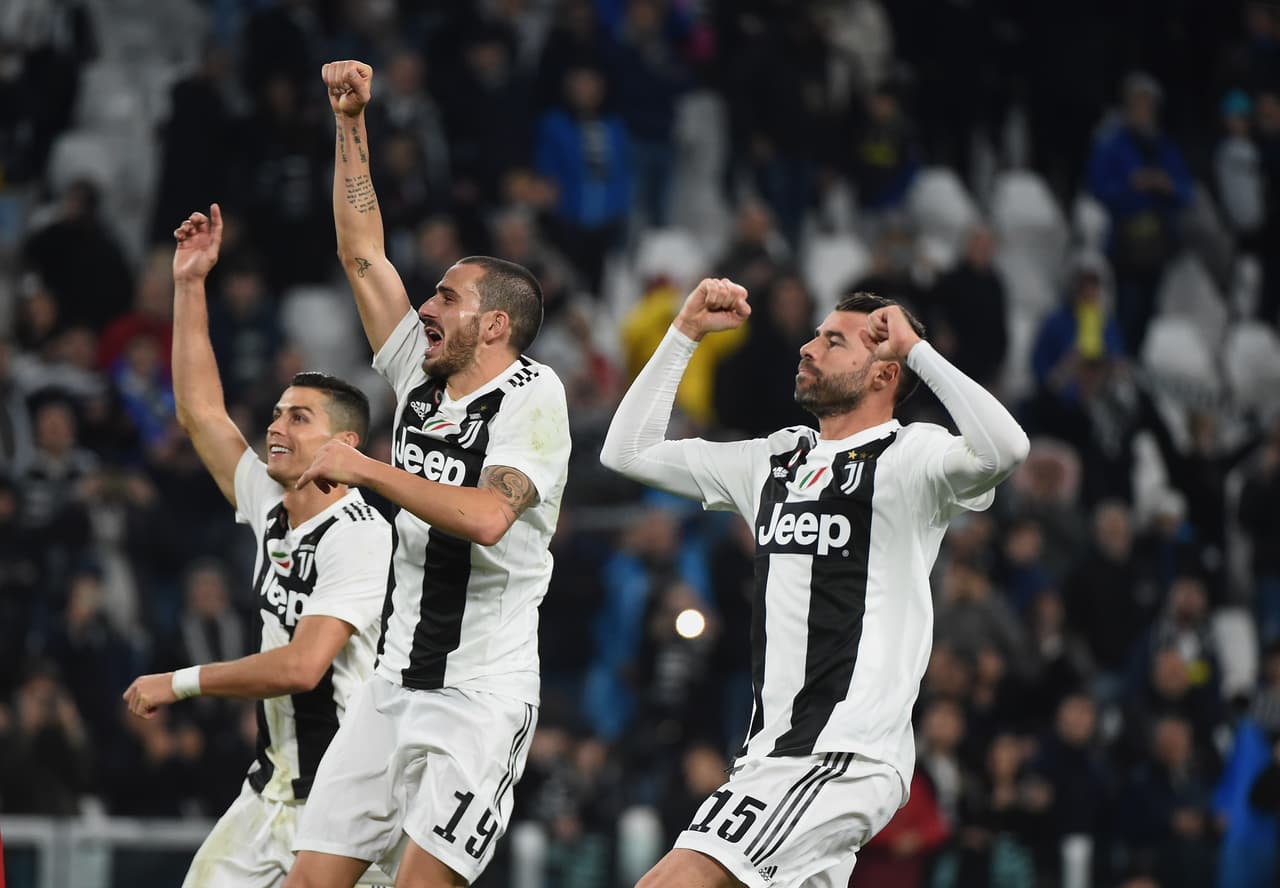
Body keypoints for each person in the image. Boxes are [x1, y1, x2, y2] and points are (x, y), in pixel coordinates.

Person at [600, 279, 1029, 886]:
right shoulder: (772, 460)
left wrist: (917, 353)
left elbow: (1007, 448)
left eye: (833, 341)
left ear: (883, 373)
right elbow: (628, 452)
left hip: (841, 753)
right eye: (815, 334)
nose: (808, 347)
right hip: (771, 754)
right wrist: (683, 335)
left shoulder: (912, 459)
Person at [281, 61, 571, 888]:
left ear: (497, 323)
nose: (428, 309)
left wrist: (366, 469)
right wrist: (350, 123)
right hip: (393, 684)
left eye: (447, 297)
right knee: (308, 881)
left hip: (479, 698)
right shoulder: (420, 374)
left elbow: (486, 518)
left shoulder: (534, 396)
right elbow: (361, 251)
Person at [121, 203, 393, 888]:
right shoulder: (270, 504)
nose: (276, 426)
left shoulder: (361, 535)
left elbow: (303, 668)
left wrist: (179, 683)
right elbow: (201, 412)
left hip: (348, 806)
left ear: (344, 445)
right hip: (270, 795)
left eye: (298, 418)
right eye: (275, 413)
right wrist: (189, 284)